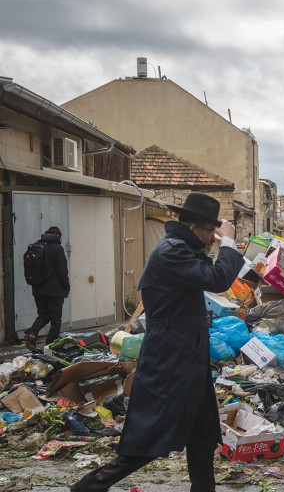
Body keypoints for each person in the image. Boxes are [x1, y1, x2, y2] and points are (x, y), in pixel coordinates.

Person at [71, 193, 244, 492]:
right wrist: (229, 242)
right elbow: (217, 279)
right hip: (170, 359)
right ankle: (89, 487)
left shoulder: (183, 249)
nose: (212, 238)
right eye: (209, 231)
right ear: (194, 228)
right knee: (149, 438)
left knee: (202, 435)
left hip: (187, 357)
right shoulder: (172, 251)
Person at [23, 226, 70, 352]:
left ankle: (32, 333)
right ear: (58, 236)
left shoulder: (37, 246)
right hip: (54, 291)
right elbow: (62, 271)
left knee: (43, 315)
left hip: (38, 289)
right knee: (55, 320)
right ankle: (50, 347)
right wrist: (66, 287)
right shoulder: (57, 248)